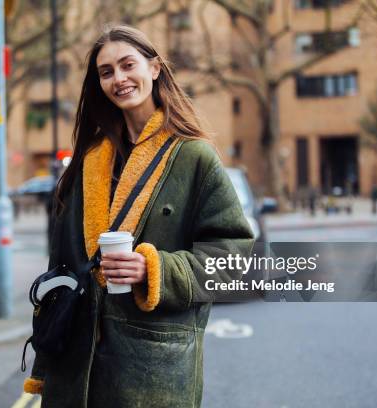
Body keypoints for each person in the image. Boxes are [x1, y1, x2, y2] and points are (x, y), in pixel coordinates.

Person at [22, 25, 254, 407]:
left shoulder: (194, 156)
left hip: (150, 372)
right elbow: (59, 271)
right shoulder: (88, 161)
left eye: (128, 65)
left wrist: (153, 269)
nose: (119, 79)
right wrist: (45, 365)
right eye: (106, 71)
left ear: (155, 68)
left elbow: (234, 258)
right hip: (74, 370)